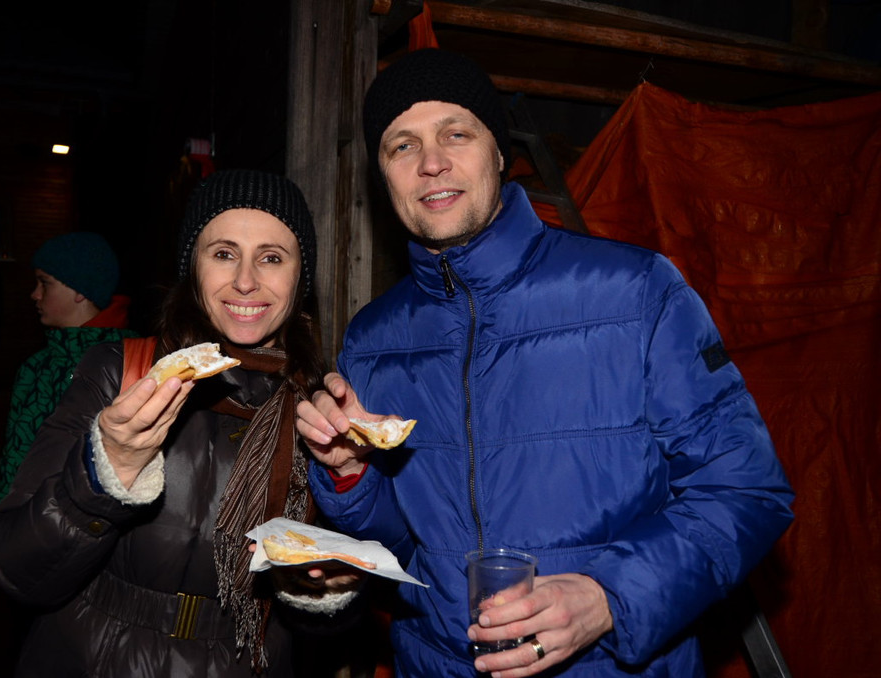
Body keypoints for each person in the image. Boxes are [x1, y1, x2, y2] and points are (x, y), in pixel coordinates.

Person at [296, 49, 795, 678]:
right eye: (402, 145)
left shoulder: (636, 293)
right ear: (383, 176)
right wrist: (351, 478)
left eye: (457, 133)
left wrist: (608, 596)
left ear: (500, 154)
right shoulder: (372, 340)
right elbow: (402, 550)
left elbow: (747, 490)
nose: (431, 162)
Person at [0, 169, 362, 678]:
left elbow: (323, 620)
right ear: (193, 267)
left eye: (272, 258)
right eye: (224, 253)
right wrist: (107, 472)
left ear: (301, 278)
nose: (246, 280)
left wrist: (325, 589)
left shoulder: (318, 410)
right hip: (92, 656)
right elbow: (19, 572)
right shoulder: (122, 374)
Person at [0, 231, 138, 504]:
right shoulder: (36, 366)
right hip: (24, 518)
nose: (35, 294)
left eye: (45, 283)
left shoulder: (128, 364)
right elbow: (14, 460)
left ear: (80, 290)